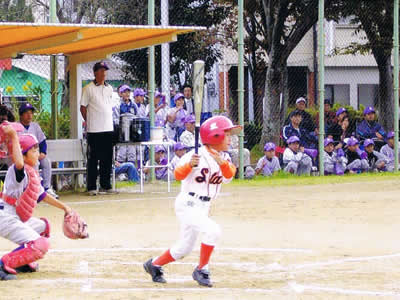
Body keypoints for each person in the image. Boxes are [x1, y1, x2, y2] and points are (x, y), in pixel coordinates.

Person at [143, 116, 240, 287]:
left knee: (184, 248)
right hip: (188, 203)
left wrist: (221, 162)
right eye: (226, 134)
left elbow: (230, 174)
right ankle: (202, 269)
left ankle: (154, 264)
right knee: (213, 231)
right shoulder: (194, 155)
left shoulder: (224, 157)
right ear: (215, 136)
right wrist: (190, 165)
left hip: (204, 206)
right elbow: (178, 175)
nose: (230, 138)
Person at [0, 130, 73, 280]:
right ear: (23, 153)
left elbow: (42, 195)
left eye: (37, 149)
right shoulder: (16, 170)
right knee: (41, 244)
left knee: (43, 226)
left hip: (14, 216)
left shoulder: (31, 172)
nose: (37, 154)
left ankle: (24, 262)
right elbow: (19, 163)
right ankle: (3, 264)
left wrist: (65, 208)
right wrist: (14, 136)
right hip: (5, 217)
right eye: (33, 151)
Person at [80, 61, 117, 195]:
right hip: (94, 130)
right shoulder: (88, 88)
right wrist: (90, 121)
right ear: (95, 72)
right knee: (93, 159)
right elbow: (83, 108)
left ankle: (105, 185)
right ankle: (91, 187)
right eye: (101, 70)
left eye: (105, 71)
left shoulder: (109, 88)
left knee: (107, 158)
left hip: (108, 128)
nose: (104, 73)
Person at [19, 103, 58, 199]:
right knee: (35, 163)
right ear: (21, 115)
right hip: (22, 157)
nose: (29, 115)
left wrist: (43, 152)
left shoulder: (35, 126)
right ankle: (35, 189)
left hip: (34, 155)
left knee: (46, 161)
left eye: (31, 113)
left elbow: (42, 141)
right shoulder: (16, 127)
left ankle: (46, 188)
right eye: (26, 113)